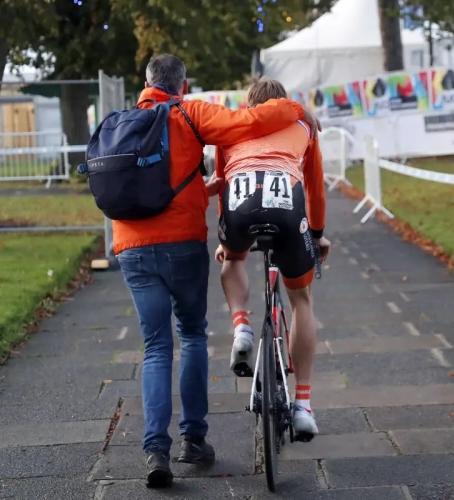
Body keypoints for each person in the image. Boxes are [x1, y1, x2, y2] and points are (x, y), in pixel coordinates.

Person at [114, 54, 321, 489]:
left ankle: (156, 449)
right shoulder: (193, 112)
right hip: (184, 242)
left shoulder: (123, 121)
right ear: (183, 85)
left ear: (146, 83)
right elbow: (253, 131)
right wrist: (298, 109)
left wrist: (219, 217)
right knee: (192, 335)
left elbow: (227, 174)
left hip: (131, 245)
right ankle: (199, 439)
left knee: (155, 347)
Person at [213, 77, 330, 440]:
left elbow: (222, 180)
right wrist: (316, 234)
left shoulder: (231, 125)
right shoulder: (303, 125)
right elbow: (314, 188)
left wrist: (228, 240)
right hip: (286, 205)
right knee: (301, 300)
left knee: (232, 262)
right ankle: (304, 406)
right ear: (283, 103)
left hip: (239, 205)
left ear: (249, 104)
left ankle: (242, 328)